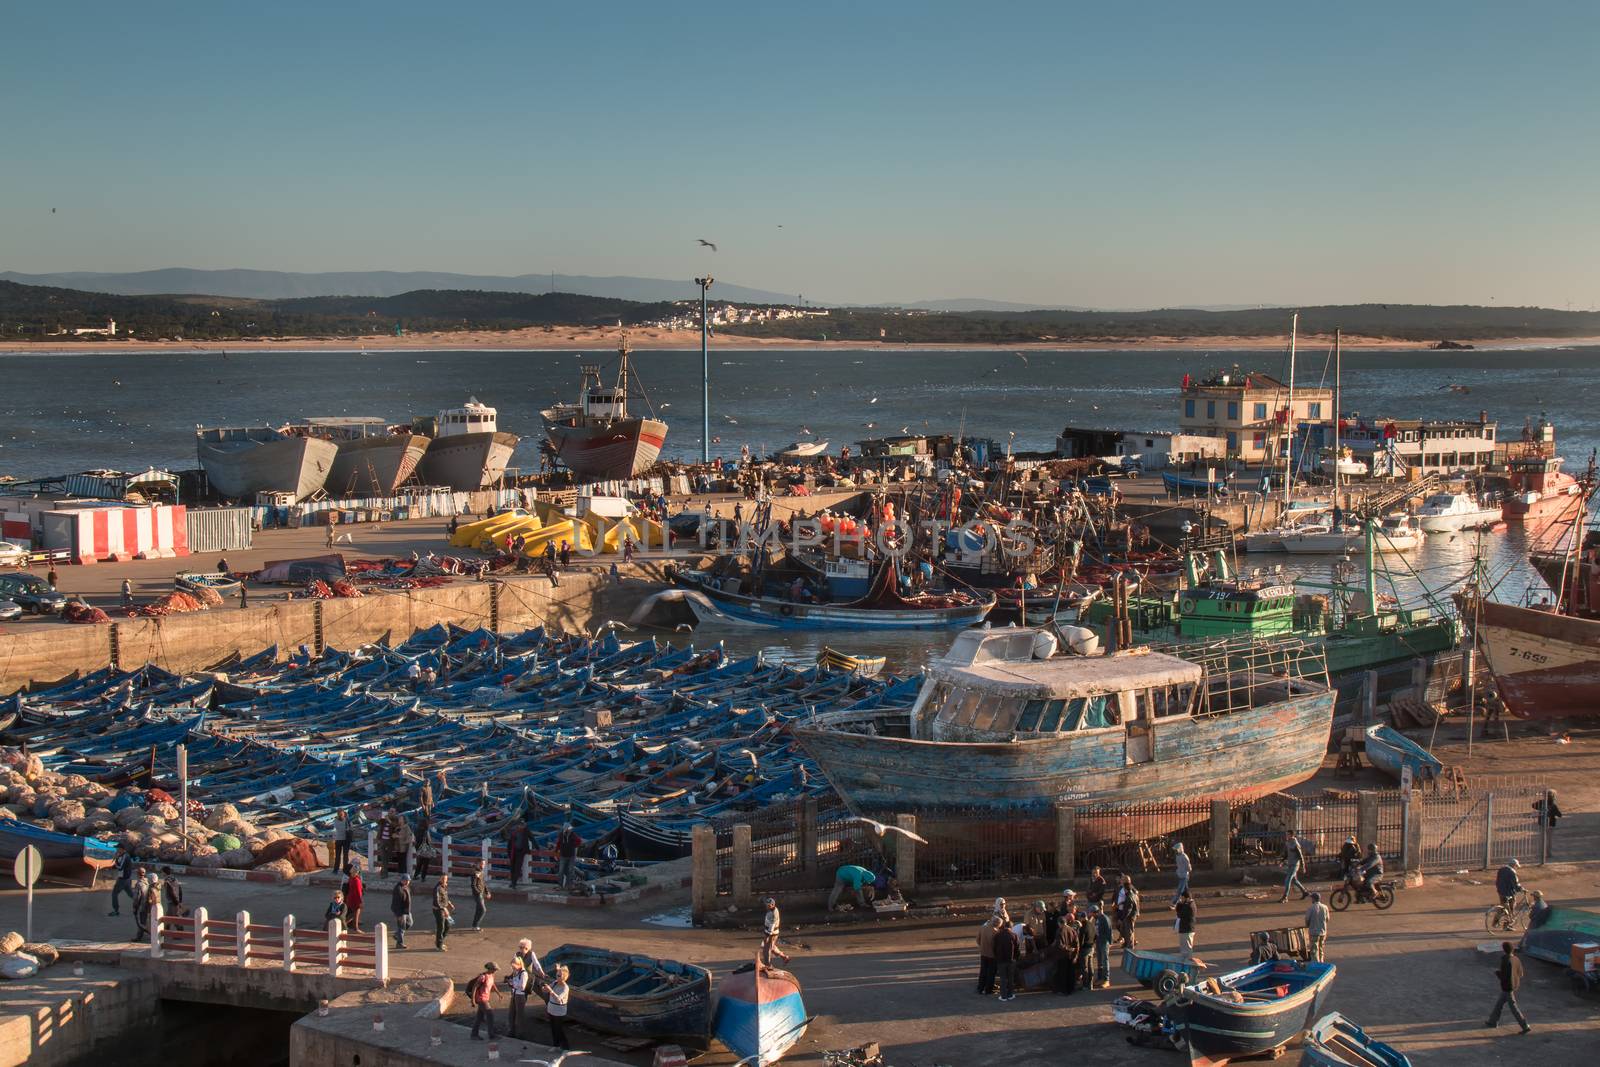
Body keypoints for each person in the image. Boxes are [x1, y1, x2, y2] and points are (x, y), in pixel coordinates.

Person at [1485, 941, 1531, 1034]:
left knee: (1513, 1008)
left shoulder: (1505, 960)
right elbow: (1521, 974)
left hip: (1507, 987)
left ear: (1504, 950)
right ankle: (1492, 1021)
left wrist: (1497, 973)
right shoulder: (1516, 959)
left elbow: (1504, 976)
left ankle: (1524, 1025)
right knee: (1499, 1004)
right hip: (1513, 986)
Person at [543, 963, 572, 1049]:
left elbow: (559, 999)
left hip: (559, 1011)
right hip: (551, 1009)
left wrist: (550, 991)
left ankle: (566, 1047)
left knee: (559, 1029)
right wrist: (545, 988)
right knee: (553, 1028)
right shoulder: (555, 982)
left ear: (564, 977)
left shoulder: (565, 987)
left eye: (559, 976)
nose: (557, 977)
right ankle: (556, 1045)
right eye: (557, 975)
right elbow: (547, 990)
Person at [468, 961, 499, 1040]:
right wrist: (473, 1000)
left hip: (485, 999)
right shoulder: (483, 977)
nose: (495, 971)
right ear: (490, 969)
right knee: (490, 1014)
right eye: (494, 969)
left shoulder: (491, 975)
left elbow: (493, 985)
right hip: (481, 999)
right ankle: (491, 1035)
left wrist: (498, 994)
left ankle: (474, 1035)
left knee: (479, 1017)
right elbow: (474, 987)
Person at [1053, 909, 1080, 995]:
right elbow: (1077, 943)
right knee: (1070, 973)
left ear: (1059, 923)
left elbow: (1060, 945)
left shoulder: (1059, 931)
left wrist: (1068, 948)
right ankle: (1071, 989)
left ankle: (1063, 990)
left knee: (1062, 973)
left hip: (1062, 956)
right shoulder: (1072, 930)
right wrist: (1075, 955)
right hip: (1071, 956)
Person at [992, 914, 1018, 1001]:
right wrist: (1015, 958)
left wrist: (996, 957)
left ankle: (1003, 996)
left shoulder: (998, 935)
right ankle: (1010, 995)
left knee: (1003, 978)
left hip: (1001, 960)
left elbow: (994, 948)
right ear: (1011, 927)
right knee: (1011, 978)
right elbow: (1017, 949)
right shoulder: (1014, 935)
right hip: (1011, 960)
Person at [1280, 831, 1309, 903]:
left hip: (1295, 865)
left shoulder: (1295, 844)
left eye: (1288, 835)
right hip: (1290, 864)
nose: (1286, 836)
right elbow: (1287, 854)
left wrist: (1303, 866)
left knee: (1287, 880)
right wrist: (1282, 861)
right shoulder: (1288, 843)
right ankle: (1304, 892)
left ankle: (1285, 897)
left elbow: (1300, 856)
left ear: (1292, 835)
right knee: (1294, 880)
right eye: (1286, 835)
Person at [1114, 874, 1141, 948]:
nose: (1121, 881)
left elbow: (1135, 902)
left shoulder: (1130, 889)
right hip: (1121, 910)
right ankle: (1127, 942)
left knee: (1128, 929)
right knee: (1122, 928)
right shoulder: (1121, 888)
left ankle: (1130, 944)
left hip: (1127, 913)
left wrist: (1137, 911)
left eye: (1123, 880)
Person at [761, 897, 790, 966]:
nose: (767, 906)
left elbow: (772, 924)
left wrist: (768, 934)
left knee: (767, 949)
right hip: (769, 931)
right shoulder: (771, 910)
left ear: (773, 904)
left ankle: (767, 964)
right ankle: (784, 957)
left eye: (768, 905)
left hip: (772, 933)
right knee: (771, 947)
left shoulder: (774, 913)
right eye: (766, 905)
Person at [1091, 904, 1114, 989]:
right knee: (1099, 961)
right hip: (1099, 941)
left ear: (1096, 912)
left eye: (1092, 913)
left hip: (1104, 942)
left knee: (1105, 960)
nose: (1091, 915)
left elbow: (1109, 930)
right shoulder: (1097, 919)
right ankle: (1100, 978)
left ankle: (1106, 980)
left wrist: (1110, 942)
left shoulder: (1104, 918)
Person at [108, 844, 135, 916]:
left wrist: (116, 859)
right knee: (131, 894)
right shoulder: (122, 855)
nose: (116, 850)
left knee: (114, 893)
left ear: (121, 849)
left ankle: (116, 911)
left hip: (123, 879)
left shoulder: (125, 856)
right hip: (126, 878)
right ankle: (142, 905)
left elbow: (120, 867)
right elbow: (118, 865)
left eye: (117, 848)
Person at [554, 823, 582, 891]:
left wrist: (573, 845)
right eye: (569, 828)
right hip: (563, 856)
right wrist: (556, 852)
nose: (570, 829)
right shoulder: (561, 835)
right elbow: (558, 844)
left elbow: (579, 841)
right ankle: (560, 885)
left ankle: (569, 885)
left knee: (570, 871)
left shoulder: (573, 834)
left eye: (570, 828)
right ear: (565, 829)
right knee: (561, 871)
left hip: (571, 856)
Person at [506, 956, 530, 1038]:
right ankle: (511, 1031)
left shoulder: (524, 973)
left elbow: (523, 986)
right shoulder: (516, 972)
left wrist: (513, 984)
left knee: (519, 1016)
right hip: (514, 994)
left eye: (513, 966)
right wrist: (511, 982)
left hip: (520, 996)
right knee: (511, 1014)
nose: (512, 968)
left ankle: (520, 1034)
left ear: (519, 964)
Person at [976, 913, 999, 995]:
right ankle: (988, 989)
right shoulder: (995, 931)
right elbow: (996, 945)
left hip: (983, 953)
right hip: (992, 955)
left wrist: (982, 947)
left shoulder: (983, 927)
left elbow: (977, 939)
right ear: (996, 923)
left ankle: (980, 988)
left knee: (983, 971)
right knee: (991, 973)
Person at [1305, 891, 1330, 962]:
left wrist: (1308, 925)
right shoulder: (1325, 907)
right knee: (1321, 949)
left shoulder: (1311, 908)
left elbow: (1307, 919)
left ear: (1313, 899)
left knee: (1314, 951)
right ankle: (1321, 962)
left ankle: (1316, 965)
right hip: (1323, 932)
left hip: (1314, 933)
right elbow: (1327, 919)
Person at [1172, 889, 1196, 958]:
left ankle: (1186, 962)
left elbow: (1180, 914)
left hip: (1186, 930)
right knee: (1185, 947)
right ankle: (1186, 960)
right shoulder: (1190, 904)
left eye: (1183, 898)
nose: (1181, 899)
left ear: (1187, 898)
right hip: (1187, 929)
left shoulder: (1189, 906)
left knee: (1186, 949)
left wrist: (1179, 904)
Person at [505, 820, 529, 889]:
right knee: (512, 868)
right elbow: (509, 843)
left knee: (517, 868)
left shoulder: (525, 831)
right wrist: (508, 852)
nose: (522, 826)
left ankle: (514, 883)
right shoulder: (513, 832)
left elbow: (531, 838)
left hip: (520, 852)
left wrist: (537, 848)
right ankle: (512, 882)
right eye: (521, 825)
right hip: (513, 852)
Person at [433, 874, 454, 950]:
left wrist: (449, 903)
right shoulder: (437, 888)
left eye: (445, 879)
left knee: (449, 925)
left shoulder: (444, 886)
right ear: (439, 879)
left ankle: (439, 941)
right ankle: (439, 945)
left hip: (444, 909)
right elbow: (437, 902)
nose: (444, 880)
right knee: (441, 927)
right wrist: (444, 909)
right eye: (443, 879)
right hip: (438, 910)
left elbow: (445, 897)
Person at [390, 875, 412, 949]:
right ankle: (399, 943)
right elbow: (396, 904)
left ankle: (397, 935)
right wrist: (398, 915)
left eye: (408, 881)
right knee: (401, 927)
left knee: (410, 923)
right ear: (402, 880)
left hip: (406, 910)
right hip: (401, 911)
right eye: (406, 880)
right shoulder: (398, 889)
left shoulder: (405, 886)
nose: (408, 882)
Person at [343, 861, 364, 932]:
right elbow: (358, 892)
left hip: (350, 898)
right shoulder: (356, 880)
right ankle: (353, 927)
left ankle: (351, 926)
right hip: (355, 899)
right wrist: (360, 902)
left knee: (352, 914)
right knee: (354, 914)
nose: (354, 868)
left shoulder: (351, 878)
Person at [470, 860, 490, 932]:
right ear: (478, 864)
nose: (483, 865)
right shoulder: (475, 872)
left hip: (480, 893)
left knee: (479, 910)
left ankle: (474, 926)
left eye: (484, 864)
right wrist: (478, 893)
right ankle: (475, 925)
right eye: (481, 864)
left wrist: (487, 892)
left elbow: (483, 883)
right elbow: (473, 885)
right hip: (477, 894)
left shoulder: (481, 871)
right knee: (483, 910)